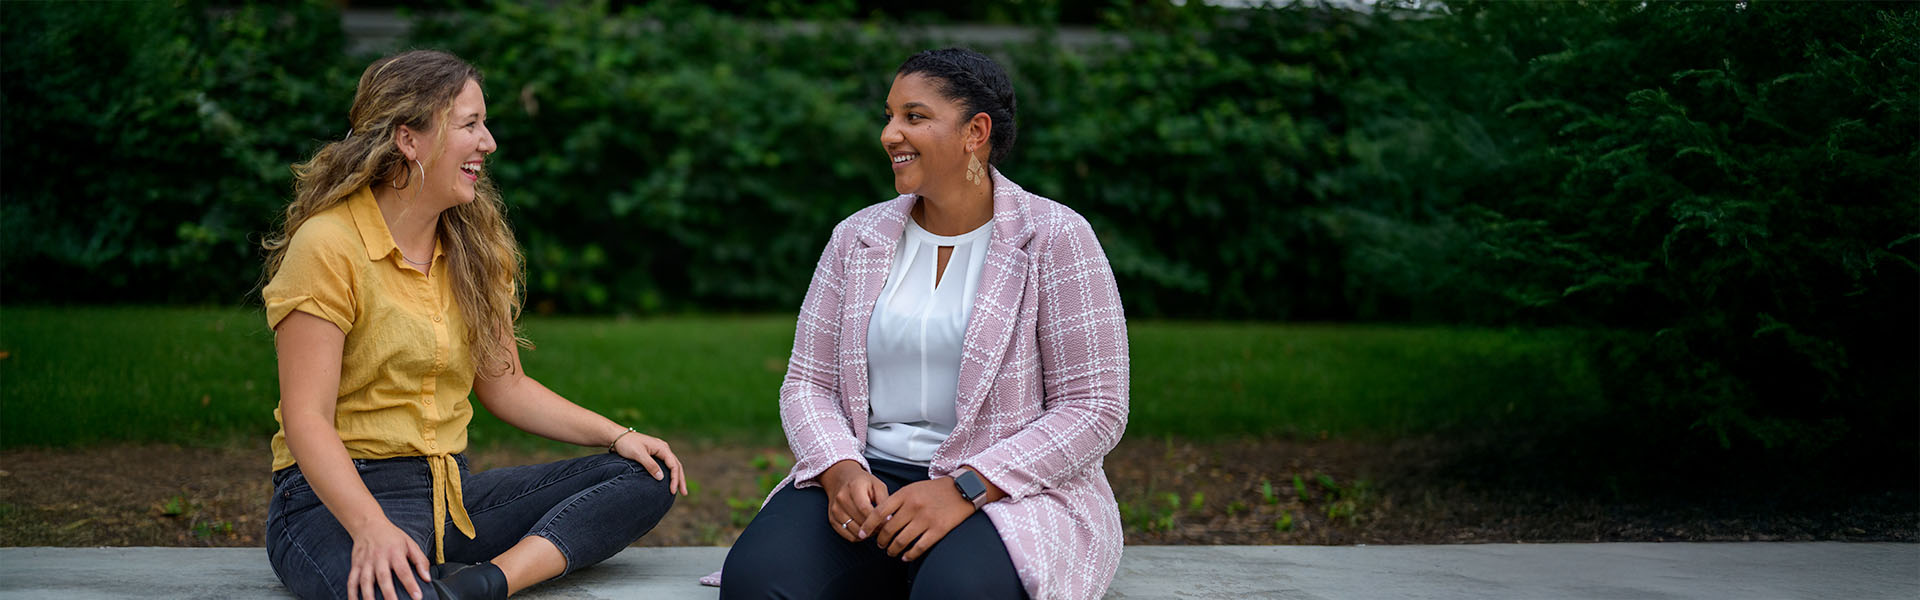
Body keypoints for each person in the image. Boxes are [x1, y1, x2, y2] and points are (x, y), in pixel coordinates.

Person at [261, 50, 685, 600]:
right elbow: (306, 419)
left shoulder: (475, 249)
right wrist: (370, 528)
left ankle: (488, 582)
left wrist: (620, 436)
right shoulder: (329, 246)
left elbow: (506, 385)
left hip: (446, 499)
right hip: (332, 500)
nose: (489, 142)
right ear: (408, 140)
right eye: (470, 124)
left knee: (645, 476)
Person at [715, 48, 1130, 600]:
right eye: (888, 116)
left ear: (974, 132)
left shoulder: (1056, 237)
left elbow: (1095, 408)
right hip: (867, 476)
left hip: (1006, 490)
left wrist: (965, 488)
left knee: (955, 593)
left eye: (914, 117)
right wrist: (839, 470)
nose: (890, 134)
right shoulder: (856, 238)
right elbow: (807, 383)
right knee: (755, 585)